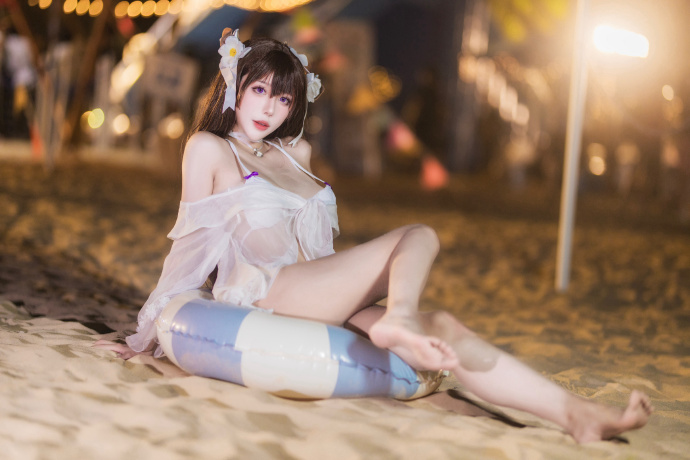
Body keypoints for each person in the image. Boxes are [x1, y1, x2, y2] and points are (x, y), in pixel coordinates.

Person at [100, 29, 652, 444]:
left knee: (447, 325)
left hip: (315, 288)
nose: (270, 107)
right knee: (418, 232)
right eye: (260, 90)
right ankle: (400, 318)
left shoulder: (297, 152)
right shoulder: (209, 150)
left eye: (284, 98)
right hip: (266, 291)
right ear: (235, 88)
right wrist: (146, 334)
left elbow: (316, 249)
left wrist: (352, 295)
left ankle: (575, 414)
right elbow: (190, 246)